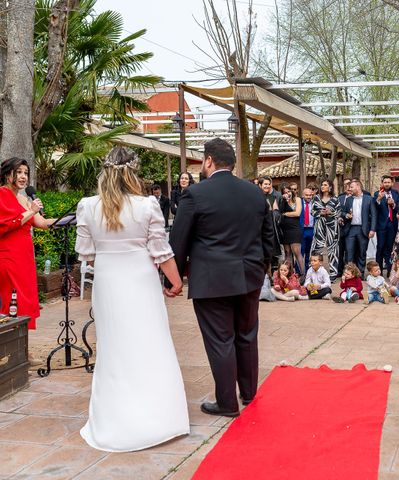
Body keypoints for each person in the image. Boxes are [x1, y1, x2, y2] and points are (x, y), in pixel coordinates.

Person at [74, 147, 189, 451]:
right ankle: (159, 416)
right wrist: (176, 282)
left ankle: (115, 416)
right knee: (150, 341)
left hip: (108, 280)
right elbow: (161, 252)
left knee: (114, 346)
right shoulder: (147, 205)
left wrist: (111, 260)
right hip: (140, 278)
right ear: (133, 174)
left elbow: (86, 255)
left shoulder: (87, 206)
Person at [169, 138, 274, 417]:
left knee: (220, 340)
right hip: (249, 275)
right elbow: (269, 238)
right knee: (247, 334)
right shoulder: (255, 194)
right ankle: (249, 393)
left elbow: (179, 239)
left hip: (212, 279)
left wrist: (172, 278)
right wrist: (262, 268)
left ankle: (227, 403)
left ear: (208, 161)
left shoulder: (195, 194)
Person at [0, 158, 56, 330]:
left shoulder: (24, 199)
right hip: (8, 257)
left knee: (24, 301)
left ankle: (22, 346)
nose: (24, 177)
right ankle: (8, 347)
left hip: (24, 259)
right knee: (11, 300)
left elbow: (42, 223)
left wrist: (68, 220)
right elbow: (5, 225)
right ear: (8, 174)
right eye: (19, 172)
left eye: (26, 173)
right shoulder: (1, 194)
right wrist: (31, 211)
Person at [342, 180, 376, 273]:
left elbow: (373, 215)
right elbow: (343, 212)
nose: (350, 189)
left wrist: (372, 229)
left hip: (363, 229)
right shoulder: (349, 199)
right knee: (349, 253)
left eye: (352, 187)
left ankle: (360, 274)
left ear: (358, 187)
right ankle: (349, 274)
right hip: (351, 229)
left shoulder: (369, 199)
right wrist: (346, 215)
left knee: (362, 253)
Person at [311, 180, 341, 280]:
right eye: (322, 184)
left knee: (332, 250)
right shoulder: (316, 198)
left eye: (325, 185)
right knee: (317, 249)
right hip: (319, 226)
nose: (322, 186)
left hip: (332, 227)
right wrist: (320, 213)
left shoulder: (335, 199)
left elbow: (339, 213)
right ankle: (316, 272)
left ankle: (333, 274)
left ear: (330, 187)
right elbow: (312, 211)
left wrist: (330, 213)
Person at [374, 175, 399, 277]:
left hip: (392, 225)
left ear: (392, 183)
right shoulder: (377, 193)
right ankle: (377, 271)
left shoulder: (395, 193)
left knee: (390, 248)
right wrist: (379, 199)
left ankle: (390, 270)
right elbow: (375, 208)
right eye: (385, 182)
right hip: (381, 225)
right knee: (380, 247)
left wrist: (393, 204)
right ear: (382, 183)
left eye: (388, 182)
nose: (387, 184)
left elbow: (398, 208)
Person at [276, 183, 305, 273]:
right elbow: (279, 213)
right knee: (287, 253)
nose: (287, 193)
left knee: (297, 253)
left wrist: (286, 214)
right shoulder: (281, 201)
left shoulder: (298, 199)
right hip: (284, 229)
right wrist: (284, 200)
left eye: (288, 191)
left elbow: (297, 213)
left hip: (294, 228)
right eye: (285, 192)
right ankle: (290, 275)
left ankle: (303, 274)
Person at [336, 179, 352, 276]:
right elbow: (337, 210)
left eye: (351, 189)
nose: (349, 191)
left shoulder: (356, 199)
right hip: (341, 227)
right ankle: (339, 270)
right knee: (340, 251)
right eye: (348, 189)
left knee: (349, 251)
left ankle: (348, 271)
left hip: (352, 228)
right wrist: (341, 216)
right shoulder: (340, 198)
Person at [300, 188, 316, 273]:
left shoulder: (314, 203)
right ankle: (299, 271)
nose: (309, 197)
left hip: (311, 229)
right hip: (302, 229)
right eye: (306, 195)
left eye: (310, 195)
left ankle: (308, 270)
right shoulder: (299, 203)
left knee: (309, 251)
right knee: (300, 251)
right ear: (303, 195)